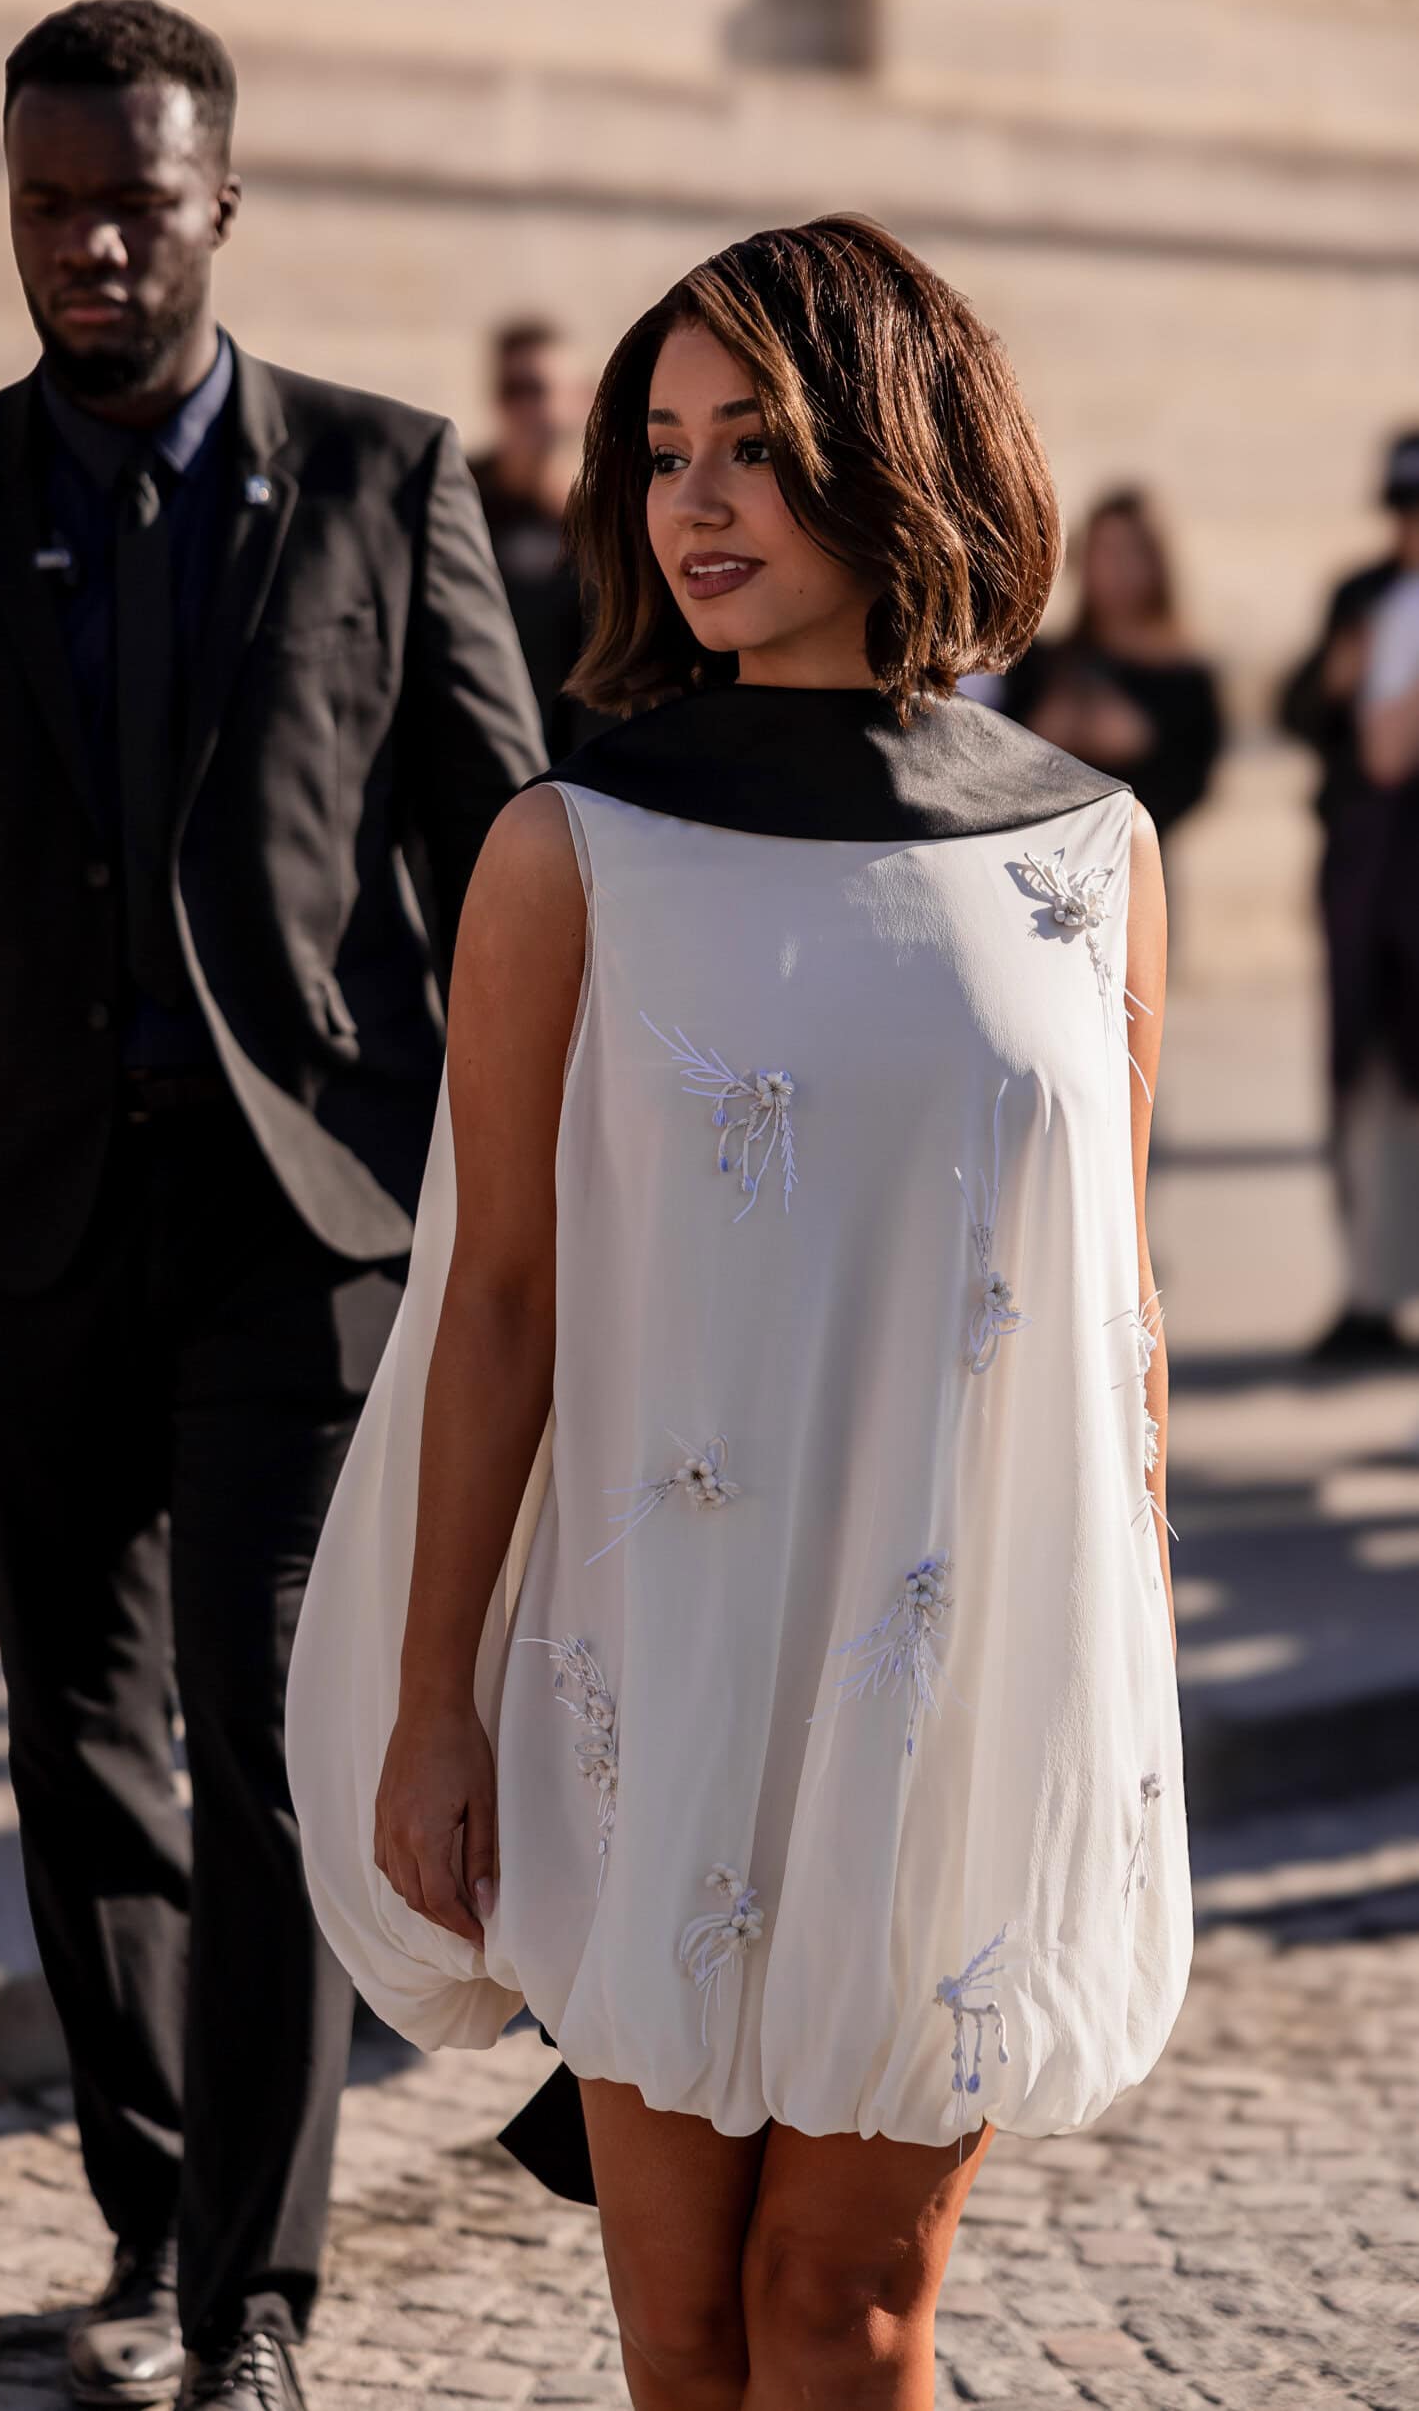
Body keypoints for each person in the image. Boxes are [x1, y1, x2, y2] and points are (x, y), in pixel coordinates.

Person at [287, 215, 1189, 2410]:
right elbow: (496, 1302)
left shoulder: (1090, 852)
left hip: (961, 1682)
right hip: (654, 1667)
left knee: (841, 2308)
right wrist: (431, 1701)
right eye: (662, 450)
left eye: (751, 446)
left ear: (894, 449)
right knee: (683, 2328)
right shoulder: (572, 849)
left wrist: (1118, 1682)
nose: (690, 501)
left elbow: (1119, 1312)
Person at [0, 0, 543, 2411]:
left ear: (222, 203)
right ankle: (152, 2196)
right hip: (16, 1225)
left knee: (272, 1745)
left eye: (130, 202)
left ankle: (252, 2297)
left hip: (301, 1229)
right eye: (46, 203)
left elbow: (505, 868)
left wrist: (539, 1206)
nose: (86, 245)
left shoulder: (386, 481)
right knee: (79, 1737)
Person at [1277, 428, 1419, 1362]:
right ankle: (1370, 1292)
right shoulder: (1362, 596)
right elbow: (1299, 711)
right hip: (1368, 875)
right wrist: (1333, 683)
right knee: (1363, 1074)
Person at [1002, 486, 1224, 840]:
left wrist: (1139, 746)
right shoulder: (1042, 662)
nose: (1117, 569)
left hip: (1141, 854)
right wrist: (1044, 735)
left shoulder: (1187, 676)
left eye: (1129, 552)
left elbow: (1195, 783)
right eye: (1104, 552)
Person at [469, 319, 603, 760]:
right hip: (475, 756)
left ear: (584, 398)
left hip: (577, 766)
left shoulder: (612, 519)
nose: (526, 408)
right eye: (513, 390)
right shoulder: (458, 498)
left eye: (538, 389)